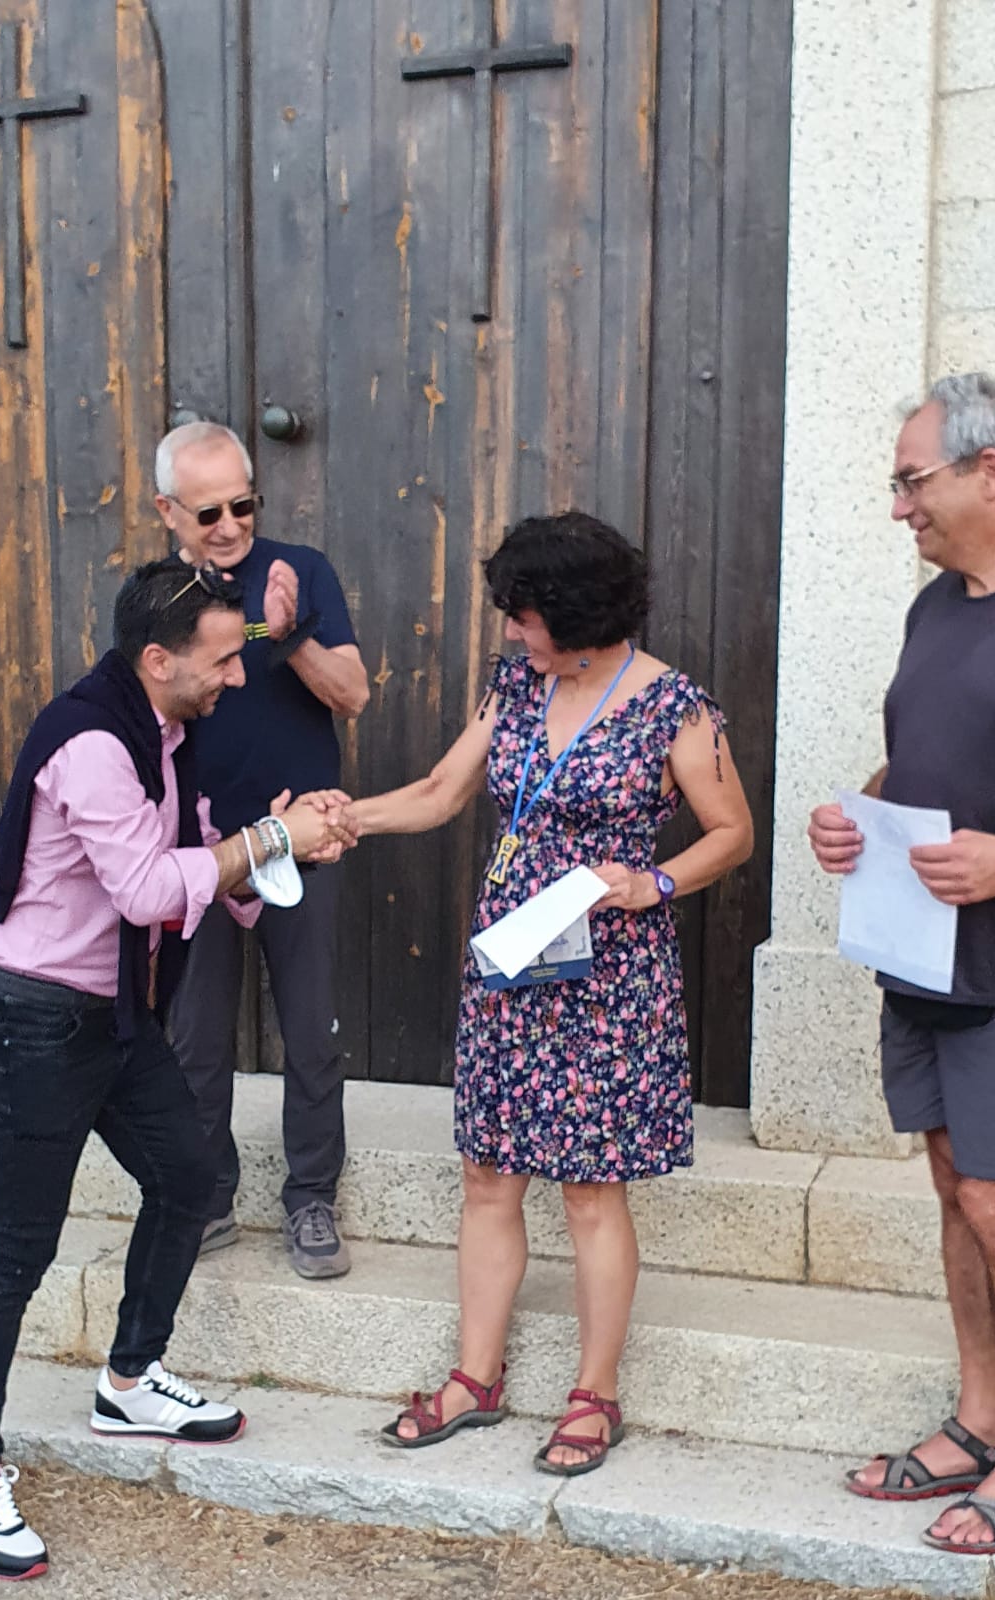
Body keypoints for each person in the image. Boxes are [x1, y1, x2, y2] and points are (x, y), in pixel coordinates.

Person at [0, 559, 350, 1582]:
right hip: (28, 1020)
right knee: (13, 1252)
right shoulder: (91, 744)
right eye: (222, 660)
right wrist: (270, 835)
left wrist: (273, 854)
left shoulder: (164, 735)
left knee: (188, 1176)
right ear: (158, 659)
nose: (237, 677)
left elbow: (196, 868)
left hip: (110, 1014)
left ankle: (127, 1380)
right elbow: (149, 888)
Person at [344, 511, 752, 1473]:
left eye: (523, 615)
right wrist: (341, 820)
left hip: (609, 973)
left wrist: (651, 883)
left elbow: (730, 831)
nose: (511, 631)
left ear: (573, 613)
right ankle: (474, 1378)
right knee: (487, 1173)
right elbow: (440, 791)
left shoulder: (673, 708)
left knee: (589, 1191)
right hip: (510, 962)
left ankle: (593, 1395)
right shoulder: (515, 686)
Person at [809, 373, 995, 1557]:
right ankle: (981, 1415)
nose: (897, 507)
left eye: (910, 481)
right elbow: (924, 759)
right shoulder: (935, 607)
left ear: (992, 470)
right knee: (953, 1189)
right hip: (923, 958)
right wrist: (859, 812)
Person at [158, 421, 370, 1280]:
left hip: (300, 841)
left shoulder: (300, 571)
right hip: (200, 850)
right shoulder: (155, 597)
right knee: (195, 1039)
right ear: (167, 512)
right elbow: (146, 711)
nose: (229, 526)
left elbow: (352, 695)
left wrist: (286, 633)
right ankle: (206, 1198)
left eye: (242, 506)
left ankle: (311, 1198)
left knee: (312, 1033)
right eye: (207, 511)